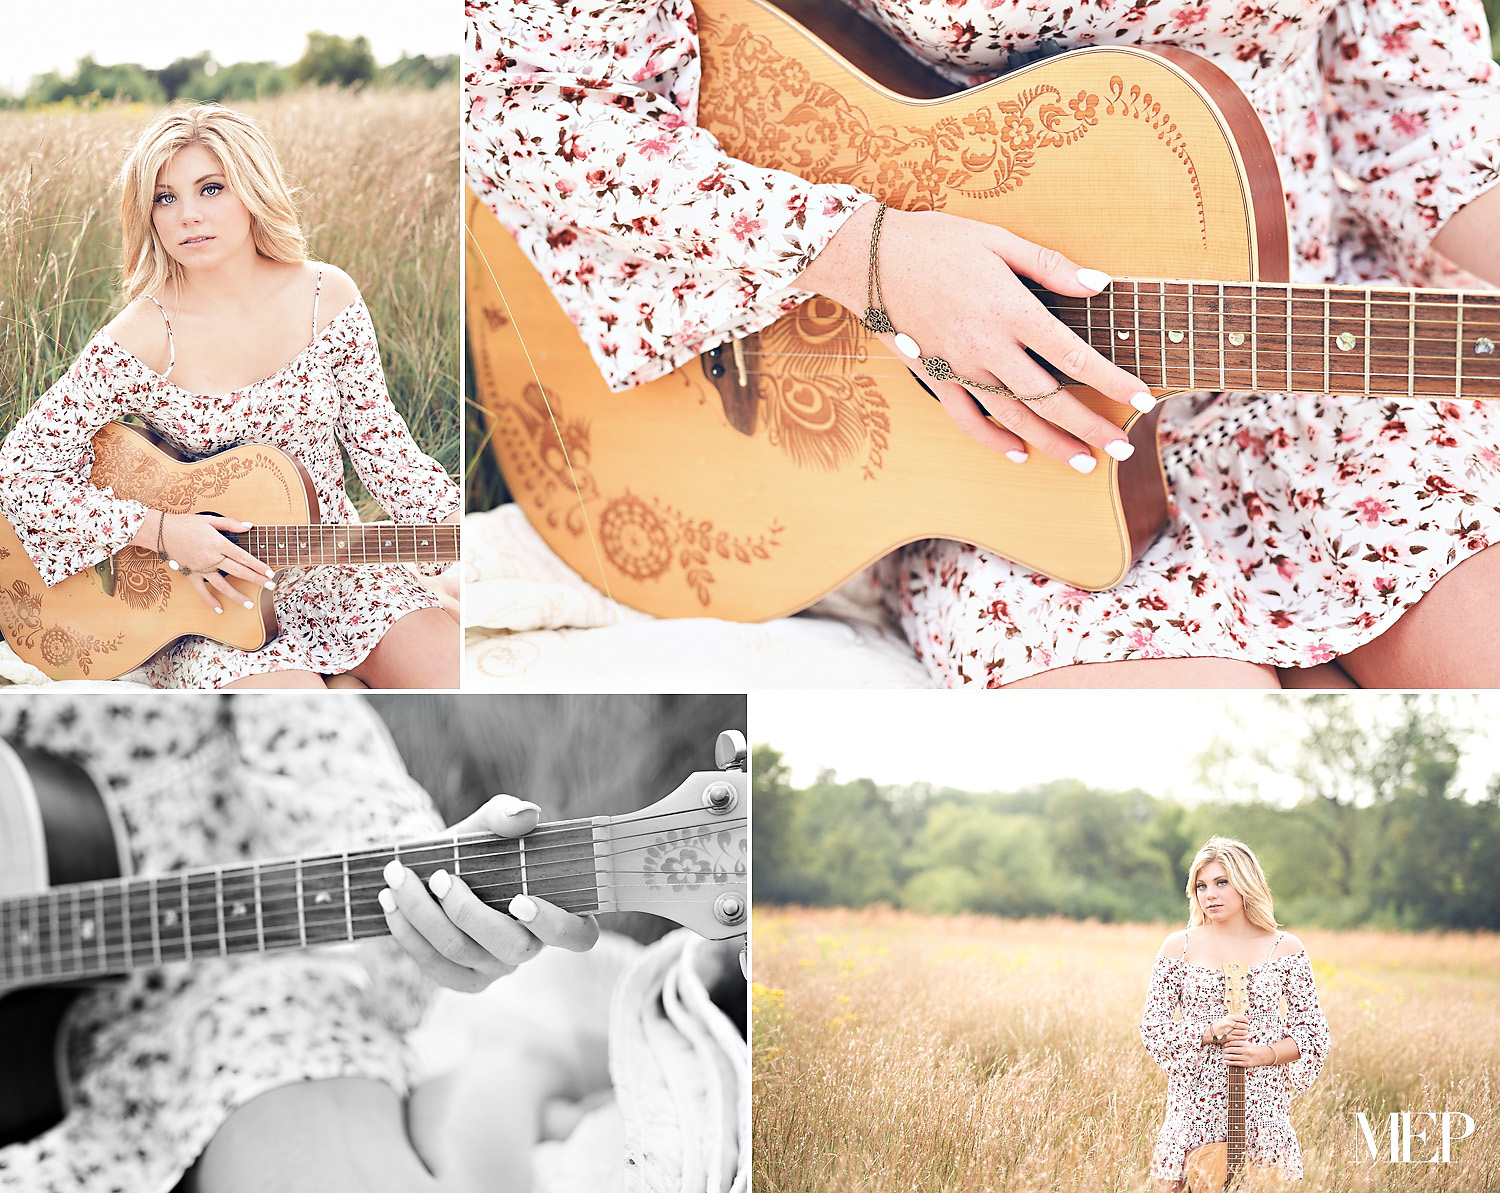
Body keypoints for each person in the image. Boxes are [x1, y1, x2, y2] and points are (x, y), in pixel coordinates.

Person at [464, 0, 1500, 688]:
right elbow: (534, 104)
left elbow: (1426, 122)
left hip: (1324, 371)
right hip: (975, 454)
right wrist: (872, 258)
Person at [0, 694, 599, 1193]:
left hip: (235, 998)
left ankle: (504, 1077)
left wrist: (416, 880)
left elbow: (325, 760)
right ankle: (498, 1085)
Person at [0, 104, 460, 689]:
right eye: (164, 198)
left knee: (447, 673)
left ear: (251, 188)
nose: (188, 216)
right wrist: (164, 532)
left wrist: (458, 540)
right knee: (299, 711)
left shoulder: (327, 296)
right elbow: (18, 471)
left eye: (210, 188)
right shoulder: (145, 332)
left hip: (335, 574)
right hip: (210, 605)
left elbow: (385, 449)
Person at [1139, 838, 1331, 1186]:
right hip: (1194, 1108)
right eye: (1201, 885)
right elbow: (1153, 1028)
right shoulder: (1177, 946)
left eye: (1221, 882)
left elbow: (1313, 1033)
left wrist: (1264, 1054)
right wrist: (1209, 1031)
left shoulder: (1284, 948)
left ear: (1245, 883)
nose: (1209, 894)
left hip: (1261, 1109)